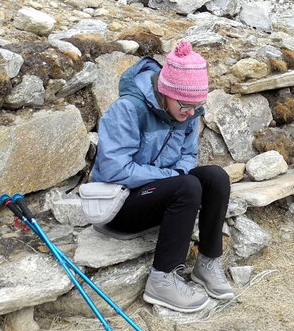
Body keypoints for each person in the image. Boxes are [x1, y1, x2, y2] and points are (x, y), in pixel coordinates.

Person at [92, 40, 232, 313]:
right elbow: (114, 169)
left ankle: (207, 262)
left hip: (158, 195)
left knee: (216, 177)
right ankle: (162, 279)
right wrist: (170, 175)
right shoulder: (128, 109)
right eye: (185, 105)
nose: (191, 113)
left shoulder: (187, 113)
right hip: (119, 205)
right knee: (186, 185)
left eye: (197, 105)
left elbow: (188, 156)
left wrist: (174, 175)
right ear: (165, 92)